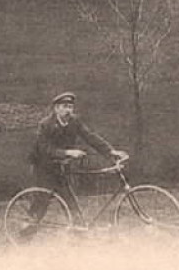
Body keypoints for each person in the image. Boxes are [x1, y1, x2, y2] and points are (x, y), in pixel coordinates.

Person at [23, 92, 128, 232]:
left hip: (61, 166)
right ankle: (26, 230)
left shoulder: (74, 121)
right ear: (56, 109)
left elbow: (90, 137)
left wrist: (110, 151)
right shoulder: (46, 125)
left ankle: (79, 231)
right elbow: (44, 149)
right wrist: (67, 152)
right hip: (44, 166)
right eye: (65, 107)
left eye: (71, 107)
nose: (68, 111)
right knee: (43, 200)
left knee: (69, 199)